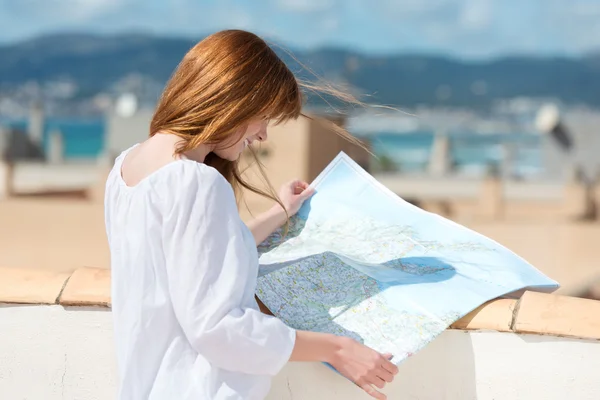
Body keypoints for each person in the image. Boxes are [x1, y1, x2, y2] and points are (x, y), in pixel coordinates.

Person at [104, 29, 398, 400]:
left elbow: (196, 258)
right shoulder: (195, 182)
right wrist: (336, 348)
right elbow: (216, 328)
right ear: (234, 99)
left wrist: (279, 211)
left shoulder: (126, 168)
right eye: (263, 117)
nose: (262, 135)